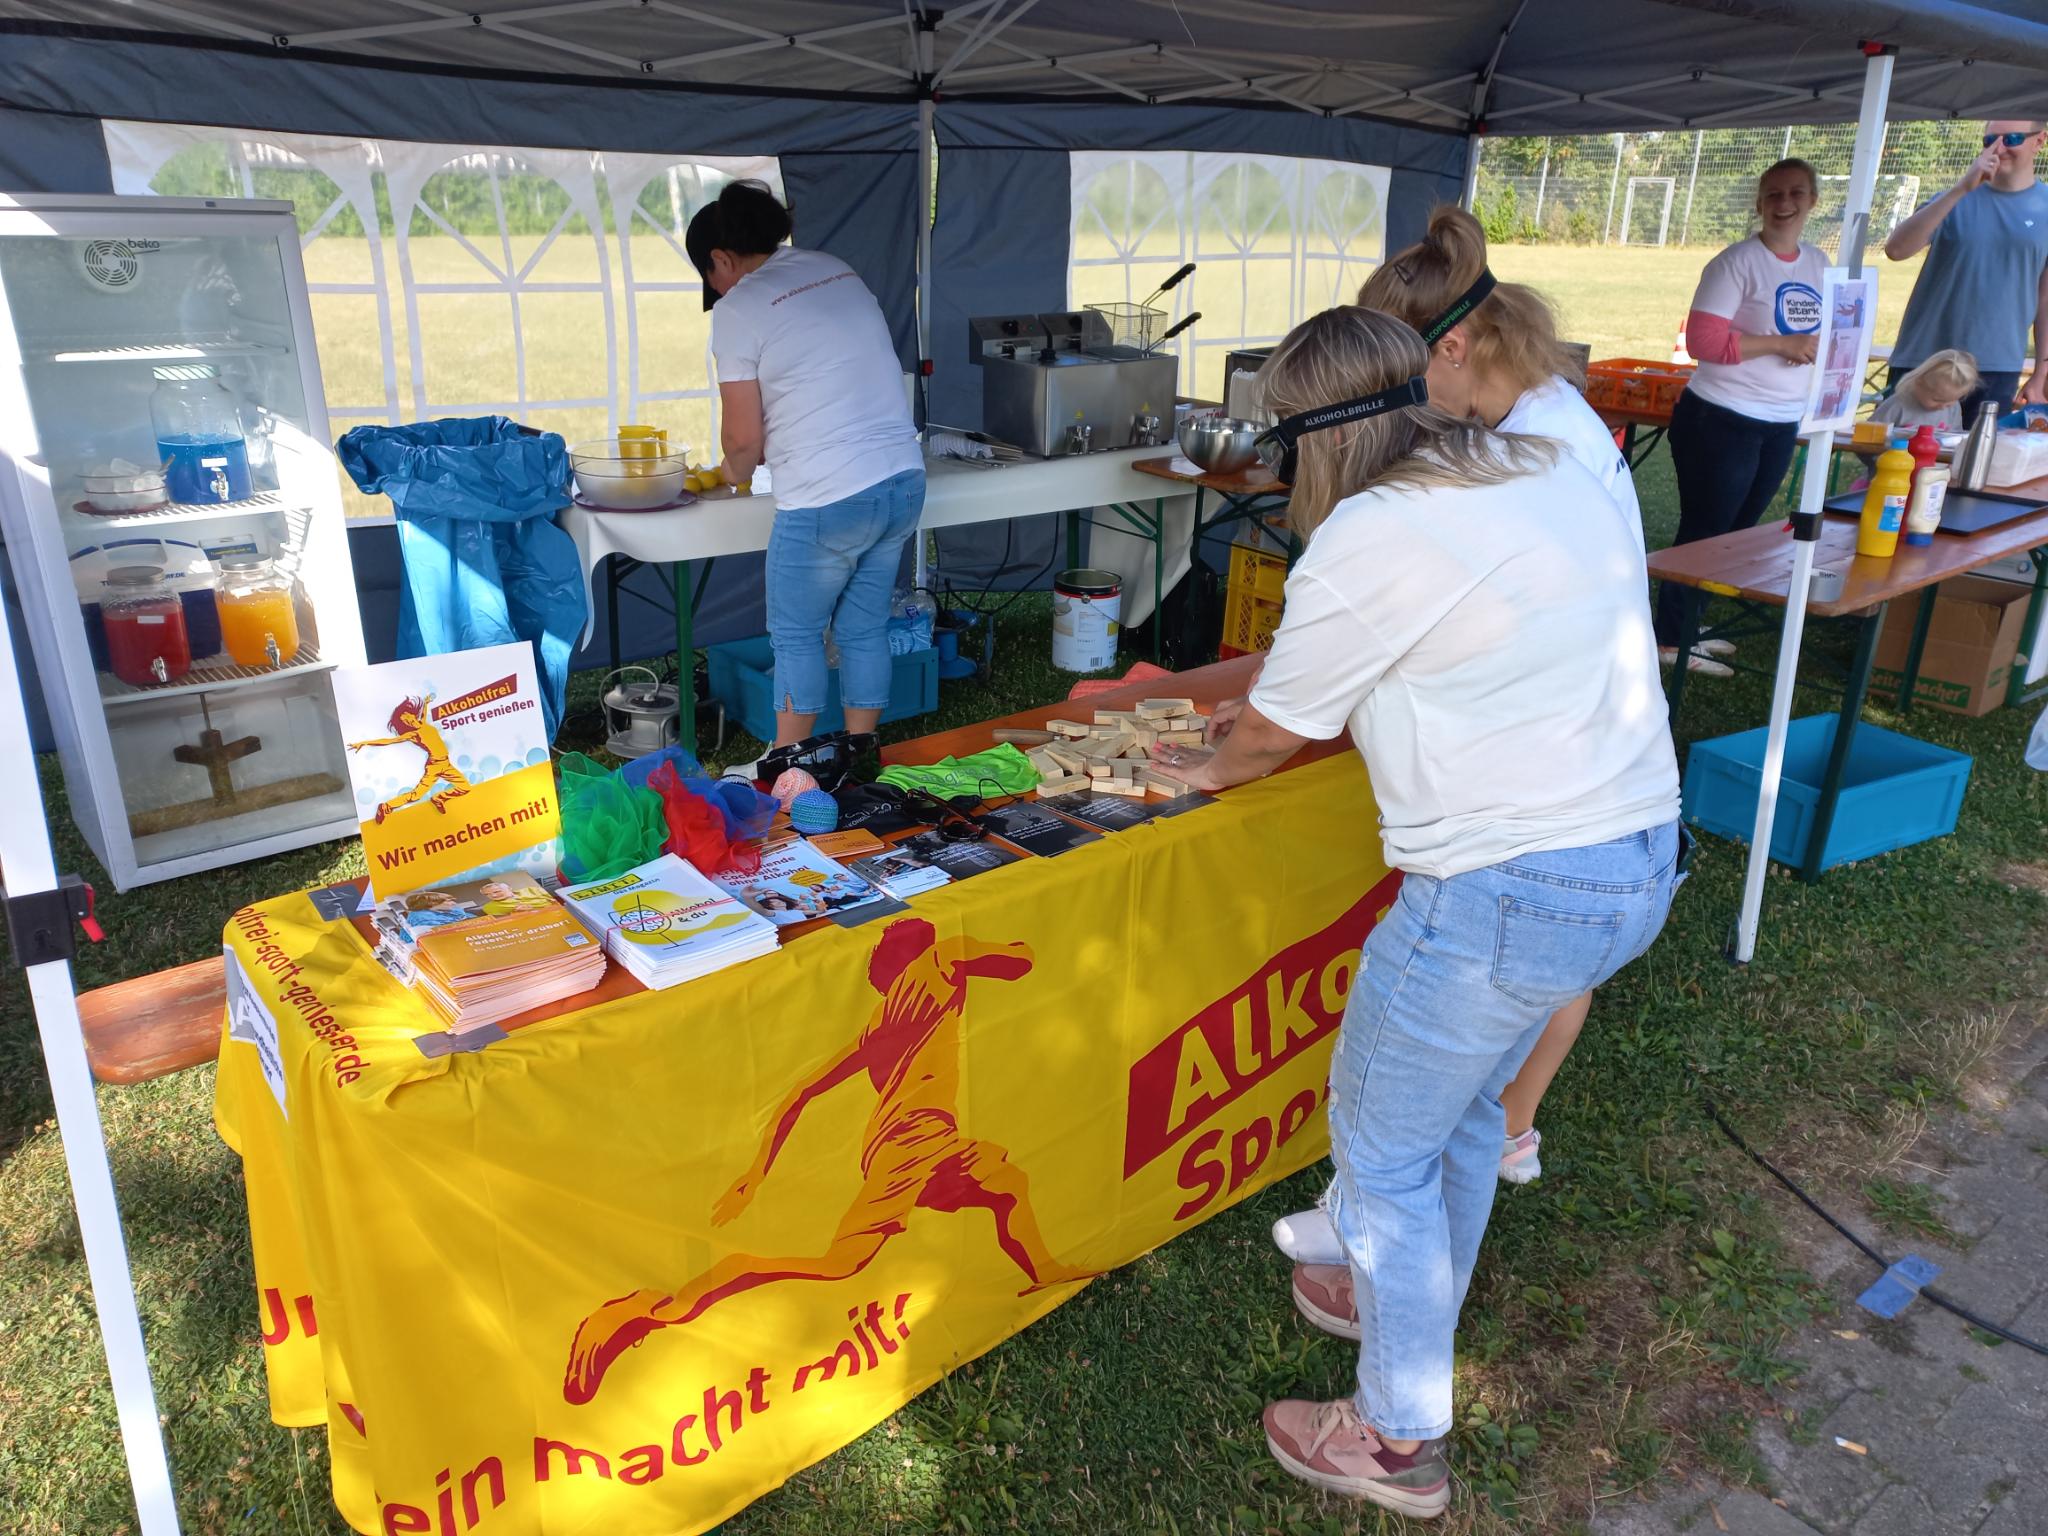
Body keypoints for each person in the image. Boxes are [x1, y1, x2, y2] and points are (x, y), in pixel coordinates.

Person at [1150, 307, 1681, 1521]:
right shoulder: (1546, 454)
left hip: (1505, 889)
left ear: (1313, 444)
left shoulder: (1369, 536)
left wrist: (1196, 767)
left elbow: (1272, 733)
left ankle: (1394, 1440)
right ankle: (1399, 1298)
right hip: (1632, 857)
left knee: (1379, 1155)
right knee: (1453, 1125)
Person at [563, 919, 1091, 1404]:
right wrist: (994, 953)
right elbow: (1018, 957)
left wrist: (756, 1174)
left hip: (895, 1144)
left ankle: (1043, 1272)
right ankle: (657, 1307)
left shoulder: (876, 1028)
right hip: (917, 1139)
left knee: (1003, 1182)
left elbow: (799, 1094)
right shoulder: (942, 962)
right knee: (842, 1263)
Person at [688, 180, 925, 749]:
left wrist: (726, 474)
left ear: (722, 258)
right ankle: (858, 754)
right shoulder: (835, 269)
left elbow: (745, 443)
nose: (716, 292)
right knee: (863, 629)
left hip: (830, 497)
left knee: (796, 638)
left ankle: (791, 765)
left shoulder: (739, 308)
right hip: (901, 480)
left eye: (712, 279)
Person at [1357, 204, 1643, 554]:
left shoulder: (1539, 451)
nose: (1405, 395)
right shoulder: (1545, 401)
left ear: (1451, 348)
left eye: (1405, 375)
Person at [1656, 158, 1827, 678]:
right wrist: (1781, 343)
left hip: (1780, 422)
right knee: (1707, 531)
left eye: (1796, 193)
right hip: (1719, 418)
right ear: (1759, 202)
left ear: (1812, 201)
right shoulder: (1735, 263)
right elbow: (1703, 343)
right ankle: (1668, 637)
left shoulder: (1820, 264)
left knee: (1737, 532)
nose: (1784, 203)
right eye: (1773, 193)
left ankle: (1691, 626)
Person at [1884, 122, 2048, 418]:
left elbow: (2045, 300)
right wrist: (1962, 187)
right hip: (1926, 360)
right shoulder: (1955, 198)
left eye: (2012, 139)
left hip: (1996, 365)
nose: (2000, 148)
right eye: (1990, 140)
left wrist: (2041, 371)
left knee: (1976, 461)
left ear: (2039, 141)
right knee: (1902, 460)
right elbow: (1896, 250)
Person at [1869, 349, 1980, 434]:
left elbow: (1955, 439)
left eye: (1952, 400)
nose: (1943, 406)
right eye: (1937, 399)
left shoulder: (1953, 408)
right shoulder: (1897, 405)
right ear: (1919, 382)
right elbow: (1867, 438)